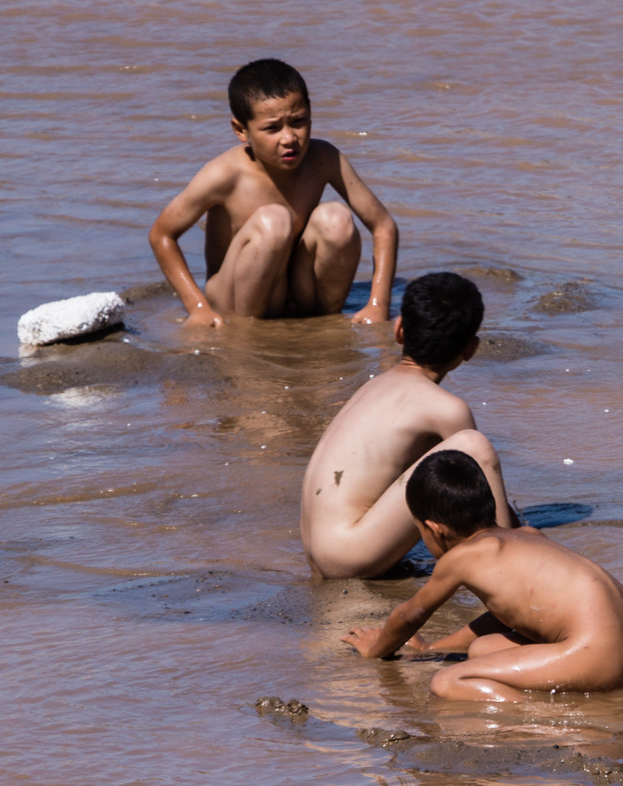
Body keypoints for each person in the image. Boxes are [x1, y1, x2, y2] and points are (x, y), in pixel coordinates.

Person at [340, 450, 623, 701]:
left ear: (435, 530)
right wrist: (433, 649)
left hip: (597, 656)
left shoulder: (462, 557)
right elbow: (508, 616)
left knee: (449, 682)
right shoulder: (528, 535)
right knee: (482, 649)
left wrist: (376, 650)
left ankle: (560, 721)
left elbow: (409, 616)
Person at [148, 58, 398, 327]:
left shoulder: (323, 158)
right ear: (241, 130)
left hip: (297, 292)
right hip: (233, 299)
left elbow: (383, 225)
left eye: (298, 121)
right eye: (272, 128)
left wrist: (377, 304)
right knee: (273, 221)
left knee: (336, 218)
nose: (289, 138)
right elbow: (162, 234)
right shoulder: (224, 174)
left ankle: (325, 323)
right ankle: (247, 332)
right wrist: (197, 307)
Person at [301, 271, 516, 579]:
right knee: (473, 445)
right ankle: (509, 562)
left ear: (399, 329)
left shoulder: (374, 387)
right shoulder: (446, 409)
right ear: (470, 349)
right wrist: (518, 529)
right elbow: (478, 494)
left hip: (320, 553)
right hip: (348, 555)